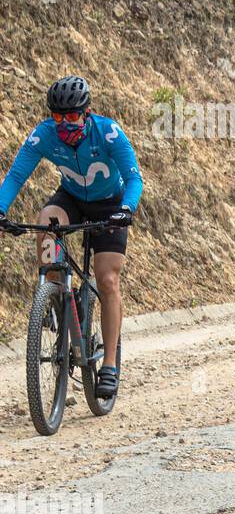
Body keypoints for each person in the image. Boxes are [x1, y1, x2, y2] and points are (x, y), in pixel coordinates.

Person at [0, 76, 143, 398]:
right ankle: (54, 295)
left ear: (87, 112)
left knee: (107, 280)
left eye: (72, 116)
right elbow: (17, 175)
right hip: (72, 198)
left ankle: (109, 365)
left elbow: (134, 177)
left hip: (110, 205)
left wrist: (126, 209)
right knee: (46, 221)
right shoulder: (44, 135)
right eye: (58, 116)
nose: (65, 123)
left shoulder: (108, 132)